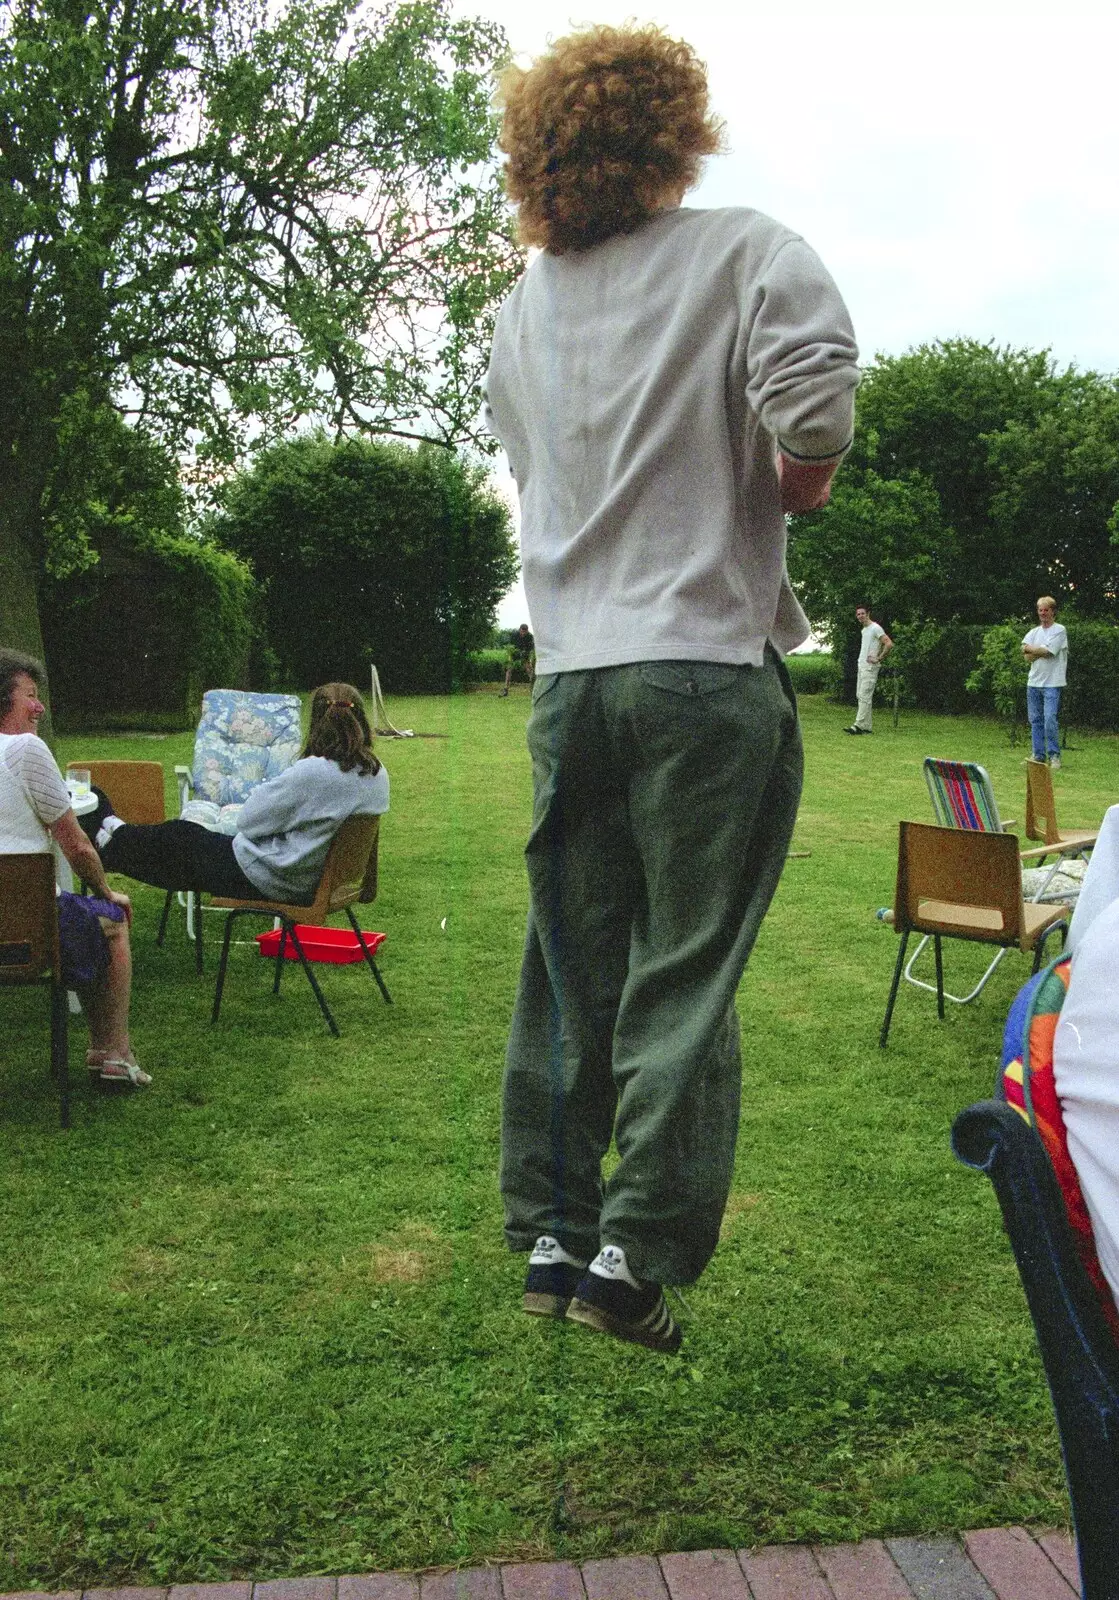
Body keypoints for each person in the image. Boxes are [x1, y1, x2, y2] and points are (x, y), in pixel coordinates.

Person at [485, 24, 859, 1352]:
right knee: (681, 972)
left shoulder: (518, 310)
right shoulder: (747, 251)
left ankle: (548, 1227)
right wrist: (755, 482)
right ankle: (629, 1259)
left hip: (569, 681)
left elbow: (549, 489)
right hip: (702, 671)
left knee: (571, 968)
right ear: (672, 129)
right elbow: (809, 435)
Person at [90, 684, 389, 903]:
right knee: (181, 843)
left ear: (316, 725)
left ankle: (109, 843)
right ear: (360, 721)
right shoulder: (377, 775)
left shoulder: (313, 772)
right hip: (307, 878)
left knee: (181, 840)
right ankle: (115, 834)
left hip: (275, 877)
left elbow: (249, 820)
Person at [0, 648, 146, 1087]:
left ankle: (107, 1049)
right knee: (110, 919)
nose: (40, 706)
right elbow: (76, 844)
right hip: (26, 933)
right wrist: (105, 890)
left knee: (77, 917)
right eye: (31, 695)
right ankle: (113, 1051)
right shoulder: (25, 749)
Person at [1021, 595, 1068, 769]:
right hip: (1033, 682)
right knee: (1035, 720)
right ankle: (1038, 755)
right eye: (1040, 610)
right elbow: (1024, 652)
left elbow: (1049, 652)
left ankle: (1054, 755)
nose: (1043, 613)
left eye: (1046, 610)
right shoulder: (1034, 632)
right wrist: (1038, 650)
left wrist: (1034, 650)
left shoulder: (1059, 630)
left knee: (1050, 719)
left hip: (1052, 683)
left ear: (1053, 611)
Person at [843, 605, 892, 735]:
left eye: (862, 613)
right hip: (862, 666)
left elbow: (888, 643)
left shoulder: (875, 628)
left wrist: (879, 658)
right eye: (858, 614)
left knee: (865, 696)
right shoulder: (864, 630)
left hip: (870, 668)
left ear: (868, 613)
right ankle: (867, 727)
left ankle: (857, 725)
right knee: (861, 696)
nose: (860, 616)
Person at [500, 624, 535, 697]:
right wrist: (510, 657)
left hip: (524, 655)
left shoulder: (530, 637)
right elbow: (510, 647)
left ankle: (534, 689)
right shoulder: (514, 635)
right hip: (514, 654)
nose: (523, 633)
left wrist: (529, 659)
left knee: (529, 670)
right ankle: (505, 689)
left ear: (527, 631)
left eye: (525, 632)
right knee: (509, 670)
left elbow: (531, 649)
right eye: (522, 631)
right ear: (520, 630)